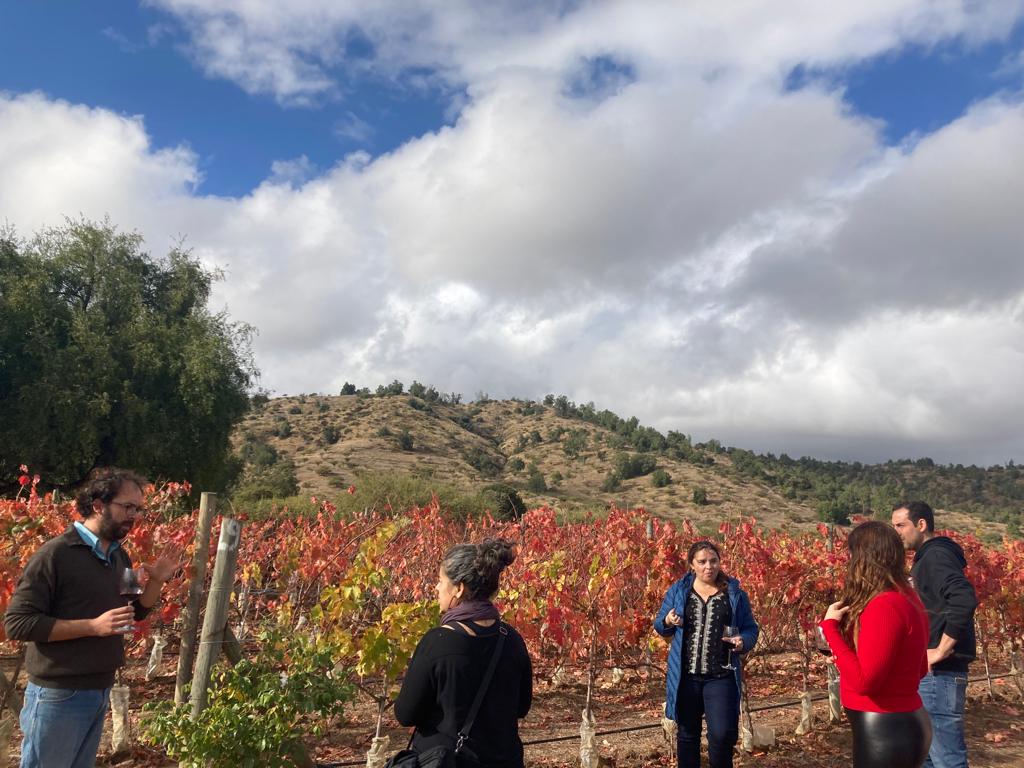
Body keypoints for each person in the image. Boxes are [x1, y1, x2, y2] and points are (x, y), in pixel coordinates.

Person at [4, 467, 182, 768]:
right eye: (127, 507)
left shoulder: (119, 556)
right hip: (57, 694)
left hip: (98, 689)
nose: (133, 515)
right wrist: (93, 626)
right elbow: (18, 623)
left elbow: (136, 611)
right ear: (98, 504)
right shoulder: (55, 555)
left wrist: (157, 581)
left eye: (137, 509)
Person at [394, 538, 532, 767]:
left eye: (441, 581)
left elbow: (406, 714)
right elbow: (521, 708)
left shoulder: (437, 642)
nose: (437, 588)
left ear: (458, 588)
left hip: (447, 761)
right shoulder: (512, 640)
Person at [820, 520, 932, 768]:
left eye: (852, 555)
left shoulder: (884, 606)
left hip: (884, 729)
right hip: (907, 723)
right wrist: (845, 654)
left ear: (864, 558)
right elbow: (920, 668)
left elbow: (865, 683)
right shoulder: (908, 597)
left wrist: (830, 630)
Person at [654, 540, 759, 768]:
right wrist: (668, 620)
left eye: (713, 561)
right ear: (692, 564)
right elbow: (660, 625)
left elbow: (751, 628)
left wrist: (743, 641)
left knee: (722, 735)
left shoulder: (734, 593)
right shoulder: (679, 591)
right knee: (687, 735)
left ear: (720, 562)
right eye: (702, 562)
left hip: (720, 676)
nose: (708, 567)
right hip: (686, 676)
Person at [892, 501, 978, 768]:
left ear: (921, 524)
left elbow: (963, 598)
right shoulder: (929, 557)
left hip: (940, 674)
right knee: (928, 755)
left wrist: (941, 650)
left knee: (946, 759)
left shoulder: (935, 557)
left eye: (900, 525)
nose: (896, 533)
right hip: (932, 675)